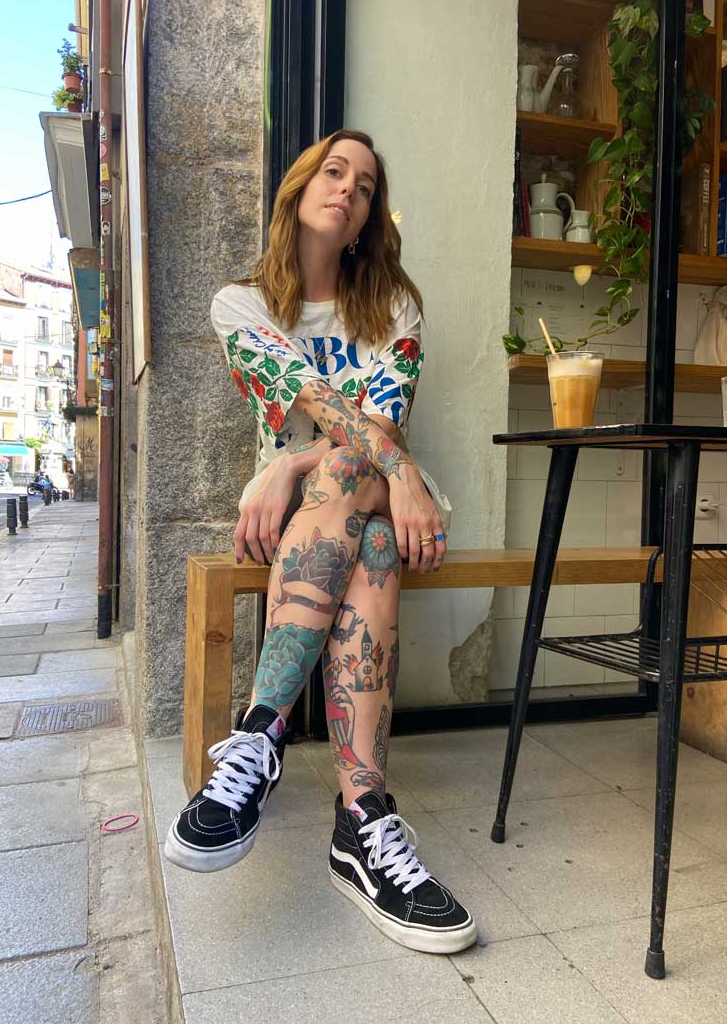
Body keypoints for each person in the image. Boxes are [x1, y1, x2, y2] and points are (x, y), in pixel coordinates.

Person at [164, 130, 475, 954]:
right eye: (334, 172)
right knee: (373, 545)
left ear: (371, 216)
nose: (348, 190)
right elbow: (317, 402)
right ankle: (362, 824)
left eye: (365, 186)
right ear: (299, 188)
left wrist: (321, 465)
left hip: (373, 485)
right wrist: (357, 470)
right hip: (317, 511)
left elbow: (376, 431)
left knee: (351, 471)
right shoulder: (240, 306)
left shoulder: (395, 308)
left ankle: (260, 733)